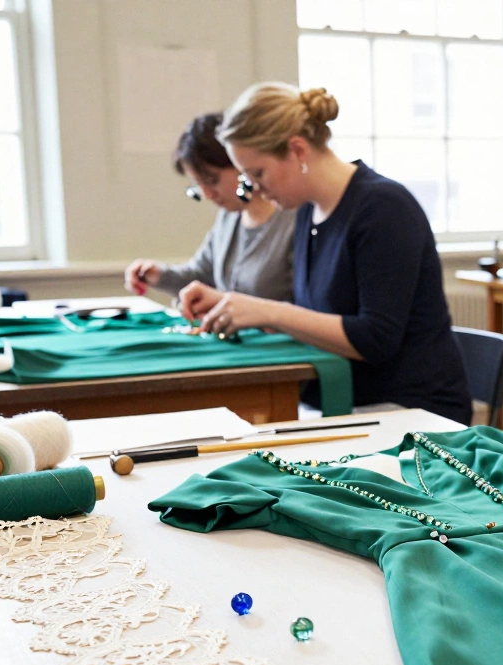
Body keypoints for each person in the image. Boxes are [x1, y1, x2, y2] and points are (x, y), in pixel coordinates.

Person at [178, 83, 471, 423]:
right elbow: (314, 321)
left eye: (257, 173)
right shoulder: (308, 211)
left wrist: (268, 312)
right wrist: (228, 304)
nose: (253, 189)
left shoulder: (383, 208)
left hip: (411, 411)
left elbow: (374, 340)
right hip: (340, 402)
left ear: (297, 150)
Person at [124, 112, 296, 301]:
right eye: (199, 184)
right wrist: (159, 275)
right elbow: (202, 274)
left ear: (240, 162)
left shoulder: (293, 219)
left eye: (212, 180)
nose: (207, 194)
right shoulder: (229, 217)